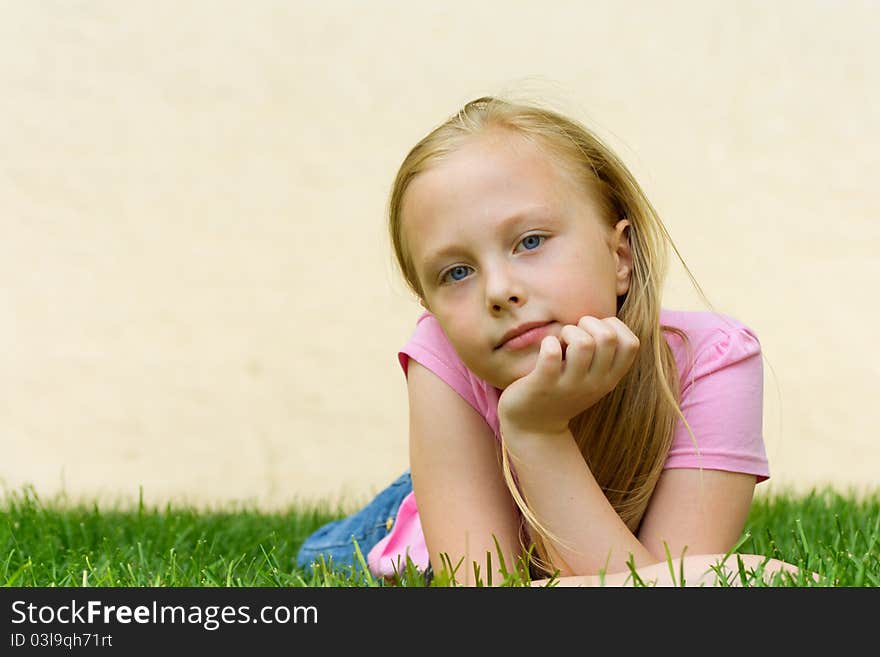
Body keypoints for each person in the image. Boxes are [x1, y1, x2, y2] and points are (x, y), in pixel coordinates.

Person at [296, 95, 806, 586]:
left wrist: (538, 434)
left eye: (530, 241)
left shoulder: (713, 361)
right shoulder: (442, 357)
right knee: (322, 556)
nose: (498, 291)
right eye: (456, 272)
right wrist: (533, 429)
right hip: (413, 526)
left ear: (620, 256)